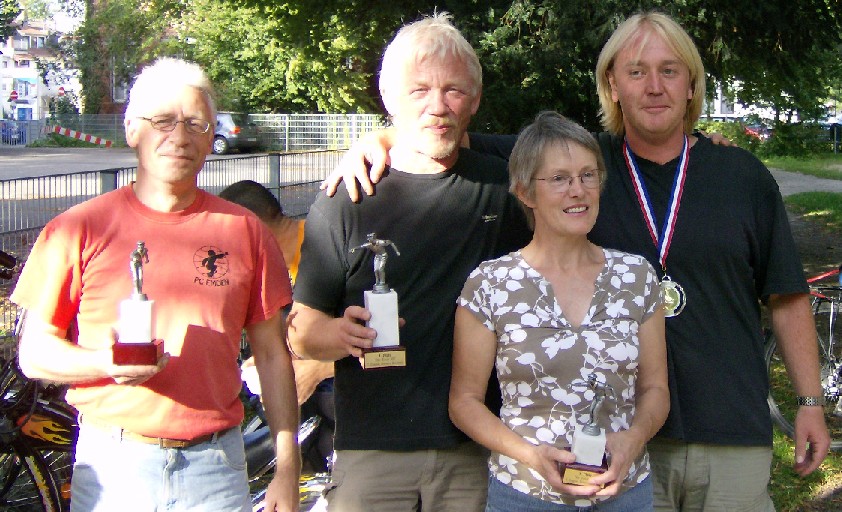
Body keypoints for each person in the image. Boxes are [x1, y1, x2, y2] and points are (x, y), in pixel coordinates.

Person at [325, 11, 830, 511]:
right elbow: (446, 132)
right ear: (612, 84)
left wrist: (809, 403)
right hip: (623, 455)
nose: (654, 86)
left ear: (692, 84)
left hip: (729, 430)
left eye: (670, 71)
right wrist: (381, 139)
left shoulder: (743, 177)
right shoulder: (580, 162)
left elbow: (785, 296)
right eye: (636, 71)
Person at [12, 58, 300, 512]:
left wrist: (287, 467)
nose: (179, 137)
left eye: (195, 123)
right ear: (131, 130)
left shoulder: (244, 232)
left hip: (217, 472)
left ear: (211, 137)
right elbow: (34, 354)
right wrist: (107, 363)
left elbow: (271, 355)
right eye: (162, 121)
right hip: (113, 468)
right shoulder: (77, 230)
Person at [286, 12, 530, 512]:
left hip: (474, 451)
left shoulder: (506, 188)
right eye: (418, 91)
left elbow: (594, 158)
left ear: (475, 101)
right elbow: (302, 331)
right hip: (372, 453)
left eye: (454, 91)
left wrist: (697, 144)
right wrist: (341, 335)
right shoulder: (346, 198)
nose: (437, 106)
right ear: (389, 101)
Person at [450, 111, 669, 511]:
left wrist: (634, 438)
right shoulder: (491, 284)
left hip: (623, 493)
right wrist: (531, 456)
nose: (578, 190)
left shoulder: (636, 277)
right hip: (525, 494)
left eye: (588, 176)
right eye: (559, 179)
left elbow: (655, 389)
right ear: (525, 192)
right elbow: (464, 402)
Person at [220, 179, 335, 471]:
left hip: (346, 394)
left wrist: (319, 368)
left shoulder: (328, 245)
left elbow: (386, 338)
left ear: (251, 226)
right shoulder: (265, 267)